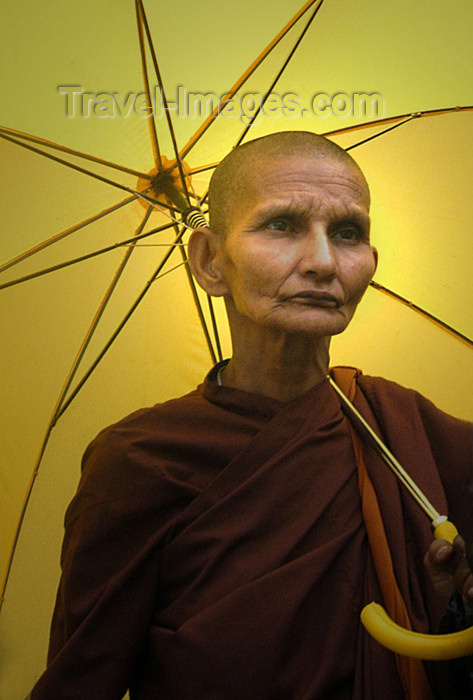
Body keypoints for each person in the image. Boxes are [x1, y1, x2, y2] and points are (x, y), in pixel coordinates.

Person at [30, 131, 473, 699]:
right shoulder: (142, 458)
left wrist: (451, 599)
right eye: (282, 225)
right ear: (210, 261)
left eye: (348, 233)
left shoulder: (406, 430)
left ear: (372, 262)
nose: (322, 262)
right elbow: (81, 682)